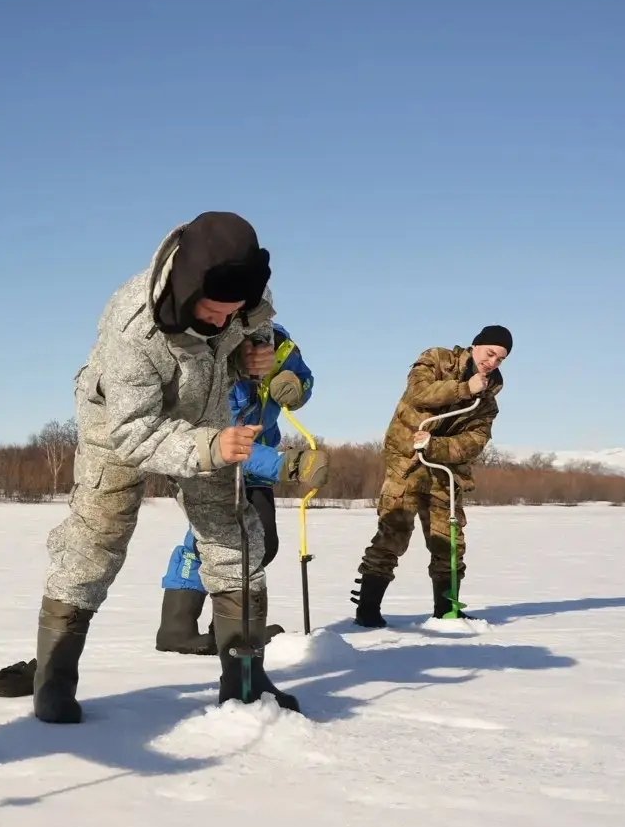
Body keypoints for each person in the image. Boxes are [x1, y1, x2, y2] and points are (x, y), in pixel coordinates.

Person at [32, 211, 326, 723]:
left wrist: (248, 358)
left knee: (234, 535)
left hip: (207, 415)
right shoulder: (134, 328)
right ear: (187, 288)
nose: (222, 321)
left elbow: (251, 332)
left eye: (232, 313)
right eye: (213, 313)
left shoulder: (249, 302)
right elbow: (134, 433)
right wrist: (212, 447)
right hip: (119, 423)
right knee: (94, 541)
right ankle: (53, 680)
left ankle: (245, 678)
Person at [155, 323, 320, 655]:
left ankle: (223, 626)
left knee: (262, 543)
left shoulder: (280, 341)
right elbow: (222, 437)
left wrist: (296, 386)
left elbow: (304, 374)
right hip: (215, 460)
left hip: (258, 461)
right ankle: (181, 627)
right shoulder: (213, 348)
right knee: (217, 541)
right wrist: (285, 464)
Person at [351, 325, 509, 628]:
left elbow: (473, 443)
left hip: (443, 472)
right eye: (490, 353)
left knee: (449, 541)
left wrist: (435, 446)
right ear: (476, 347)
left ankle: (447, 611)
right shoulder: (437, 359)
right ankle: (367, 609)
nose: (492, 362)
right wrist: (464, 389)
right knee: (392, 534)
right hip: (406, 463)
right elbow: (418, 393)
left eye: (500, 359)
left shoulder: (487, 403)